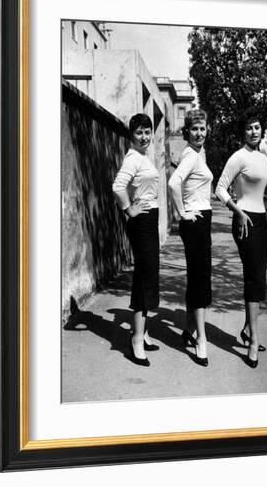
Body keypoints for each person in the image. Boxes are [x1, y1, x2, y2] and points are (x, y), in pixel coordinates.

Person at [215, 111, 267, 368]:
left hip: (262, 221)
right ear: (243, 132)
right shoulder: (238, 157)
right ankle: (252, 340)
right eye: (249, 128)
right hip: (244, 220)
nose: (254, 132)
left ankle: (248, 330)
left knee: (259, 277)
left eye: (257, 127)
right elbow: (219, 188)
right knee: (253, 277)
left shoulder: (263, 157)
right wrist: (237, 211)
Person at [112, 114, 160, 367]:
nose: (144, 137)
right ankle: (137, 341)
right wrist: (128, 210)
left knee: (149, 276)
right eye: (139, 132)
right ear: (132, 135)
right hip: (141, 222)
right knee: (143, 278)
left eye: (147, 132)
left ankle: (144, 332)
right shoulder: (132, 158)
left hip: (149, 219)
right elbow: (118, 186)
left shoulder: (143, 157)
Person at [168, 109, 213, 366]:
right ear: (188, 131)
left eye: (202, 128)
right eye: (195, 129)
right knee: (200, 281)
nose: (199, 133)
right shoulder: (190, 155)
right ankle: (201, 340)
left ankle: (188, 329)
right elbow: (174, 183)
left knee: (198, 277)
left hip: (201, 220)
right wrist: (182, 214)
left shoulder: (198, 154)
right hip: (194, 222)